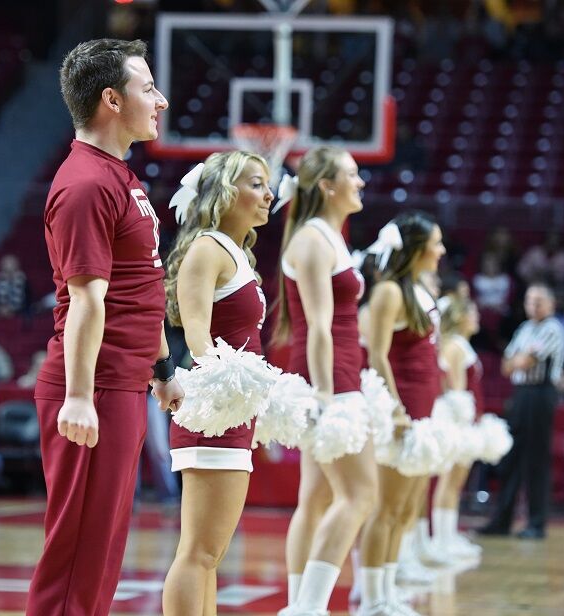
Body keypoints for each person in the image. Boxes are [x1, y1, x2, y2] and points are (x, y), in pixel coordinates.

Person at [26, 38, 184, 616]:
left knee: (101, 558)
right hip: (92, 388)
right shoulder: (86, 184)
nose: (161, 100)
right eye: (148, 89)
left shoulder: (121, 178)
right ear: (112, 100)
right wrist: (78, 395)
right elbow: (87, 301)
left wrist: (162, 368)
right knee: (76, 562)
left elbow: (142, 287)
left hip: (122, 382)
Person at [161, 151, 273, 614]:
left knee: (211, 555)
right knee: (198, 553)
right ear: (226, 193)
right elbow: (197, 336)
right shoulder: (207, 247)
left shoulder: (236, 252)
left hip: (233, 414)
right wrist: (235, 385)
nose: (268, 194)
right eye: (256, 183)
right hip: (214, 414)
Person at [273, 146, 379, 615]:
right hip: (331, 378)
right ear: (327, 187)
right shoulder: (313, 239)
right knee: (359, 495)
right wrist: (325, 396)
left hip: (337, 372)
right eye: (352, 175)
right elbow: (316, 325)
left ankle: (301, 604)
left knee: (314, 498)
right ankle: (308, 608)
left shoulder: (327, 236)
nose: (361, 183)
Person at [358, 212, 445, 616]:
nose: (441, 250)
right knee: (386, 508)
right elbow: (376, 353)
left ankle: (389, 591)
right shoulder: (389, 291)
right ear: (416, 249)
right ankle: (372, 597)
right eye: (436, 243)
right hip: (402, 407)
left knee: (407, 509)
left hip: (424, 409)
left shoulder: (416, 290)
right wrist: (393, 408)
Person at [480, 283, 564, 539]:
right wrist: (519, 360)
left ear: (551, 304)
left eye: (539, 301)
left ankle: (536, 523)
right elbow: (507, 366)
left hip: (541, 394)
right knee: (510, 457)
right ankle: (502, 521)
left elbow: (526, 361)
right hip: (521, 394)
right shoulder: (525, 328)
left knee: (536, 460)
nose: (533, 305)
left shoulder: (553, 329)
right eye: (529, 300)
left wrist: (519, 360)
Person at [431, 297, 484, 559]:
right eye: (471, 311)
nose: (477, 316)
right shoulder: (454, 346)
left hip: (465, 418)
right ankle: (441, 540)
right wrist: (465, 423)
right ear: (459, 316)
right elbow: (455, 389)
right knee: (449, 482)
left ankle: (448, 536)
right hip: (456, 419)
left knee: (455, 483)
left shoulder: (461, 345)